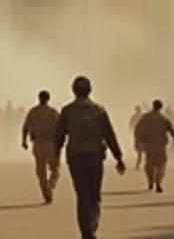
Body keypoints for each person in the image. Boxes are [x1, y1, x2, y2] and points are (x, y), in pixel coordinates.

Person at [54, 76, 127, 239]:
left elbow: (58, 137)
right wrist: (118, 158)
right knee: (94, 195)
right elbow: (109, 135)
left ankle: (86, 231)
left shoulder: (67, 111)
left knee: (82, 195)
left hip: (76, 158)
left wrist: (55, 159)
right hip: (94, 157)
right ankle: (91, 226)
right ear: (90, 90)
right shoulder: (98, 110)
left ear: (73, 90)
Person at [21, 89, 61, 203]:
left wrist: (24, 141)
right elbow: (60, 128)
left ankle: (46, 191)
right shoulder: (53, 112)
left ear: (39, 98)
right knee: (55, 168)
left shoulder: (33, 112)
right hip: (51, 144)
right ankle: (50, 185)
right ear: (48, 99)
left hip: (38, 144)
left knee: (40, 170)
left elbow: (25, 127)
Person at [133, 99, 174, 193]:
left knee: (149, 164)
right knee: (161, 164)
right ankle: (158, 182)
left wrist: (139, 138)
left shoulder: (146, 117)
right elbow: (171, 129)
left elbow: (137, 128)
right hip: (160, 145)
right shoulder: (163, 118)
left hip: (149, 144)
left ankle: (150, 181)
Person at [128, 105, 144, 170]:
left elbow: (130, 124)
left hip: (141, 135)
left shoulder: (142, 116)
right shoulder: (136, 116)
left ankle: (138, 164)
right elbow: (130, 124)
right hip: (139, 135)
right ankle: (138, 164)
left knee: (140, 151)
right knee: (139, 150)